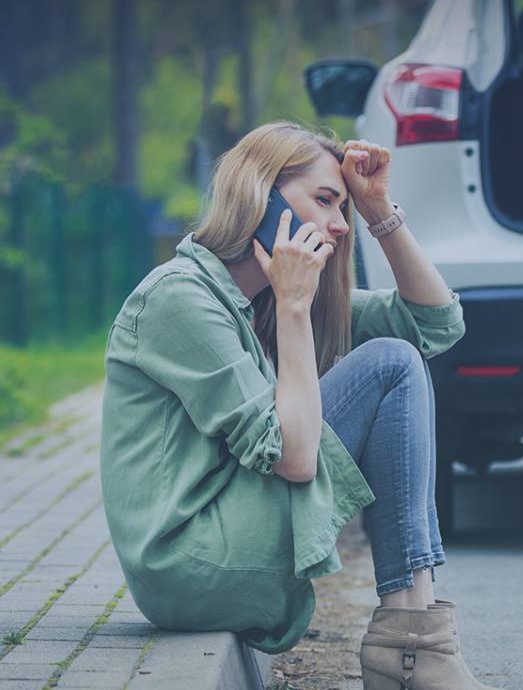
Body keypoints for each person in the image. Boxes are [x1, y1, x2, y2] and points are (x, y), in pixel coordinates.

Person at [99, 120, 502, 690]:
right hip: (189, 565)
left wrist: (379, 209)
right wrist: (292, 308)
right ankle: (410, 643)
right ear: (260, 200)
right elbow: (294, 459)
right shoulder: (180, 298)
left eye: (345, 208)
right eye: (325, 201)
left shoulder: (265, 297)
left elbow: (436, 325)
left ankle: (415, 638)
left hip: (227, 534)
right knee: (388, 364)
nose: (341, 224)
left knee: (400, 358)